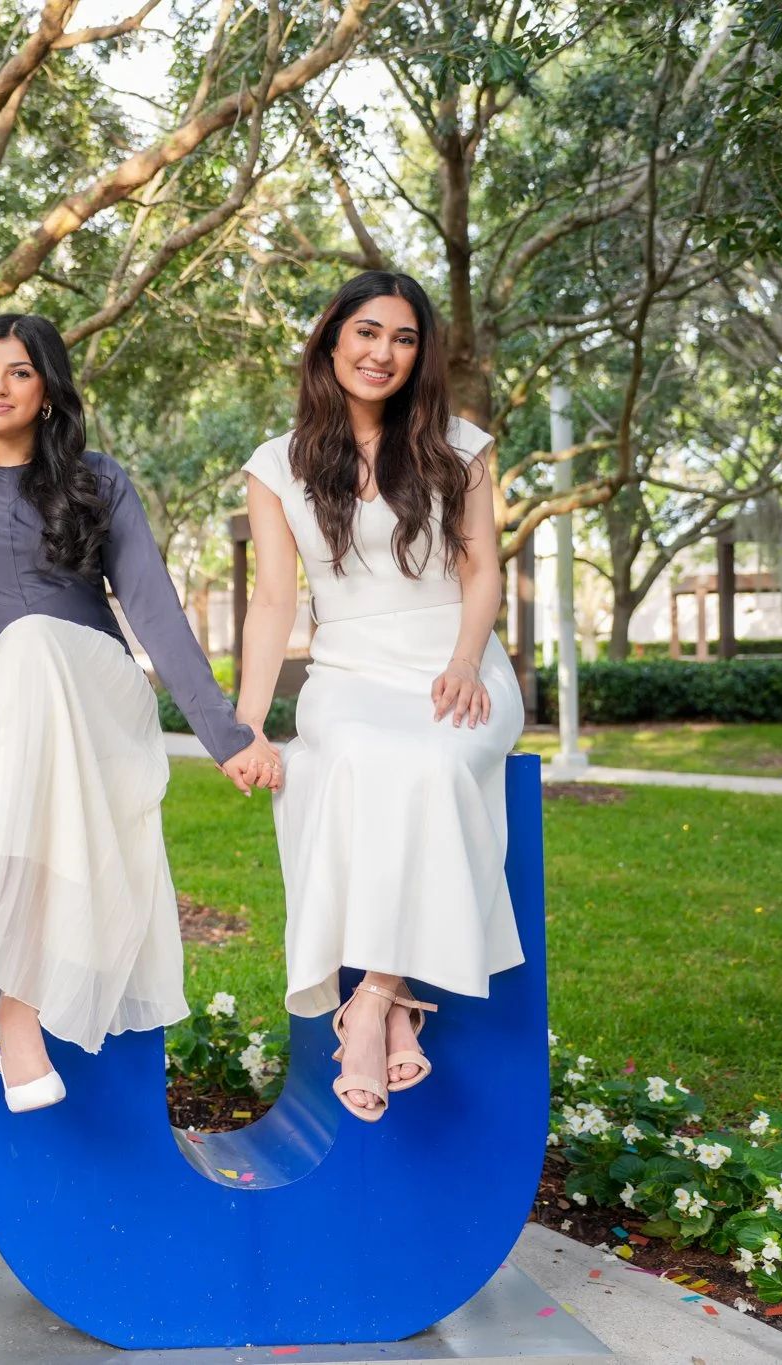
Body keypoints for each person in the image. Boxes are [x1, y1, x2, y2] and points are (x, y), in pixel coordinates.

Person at [0, 314, 282, 1112]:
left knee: (38, 638)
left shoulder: (96, 480)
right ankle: (18, 1016)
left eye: (19, 372)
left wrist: (226, 735)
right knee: (17, 674)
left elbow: (154, 610)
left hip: (91, 687)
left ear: (48, 393)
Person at [235, 270, 523, 1123]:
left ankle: (369, 1000)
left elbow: (481, 569)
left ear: (420, 355)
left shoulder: (461, 446)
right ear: (331, 341)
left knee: (435, 764)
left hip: (454, 661)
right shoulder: (275, 466)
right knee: (355, 755)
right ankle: (391, 1007)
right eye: (367, 332)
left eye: (404, 338)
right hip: (350, 671)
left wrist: (467, 662)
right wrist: (247, 721)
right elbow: (275, 604)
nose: (383, 353)